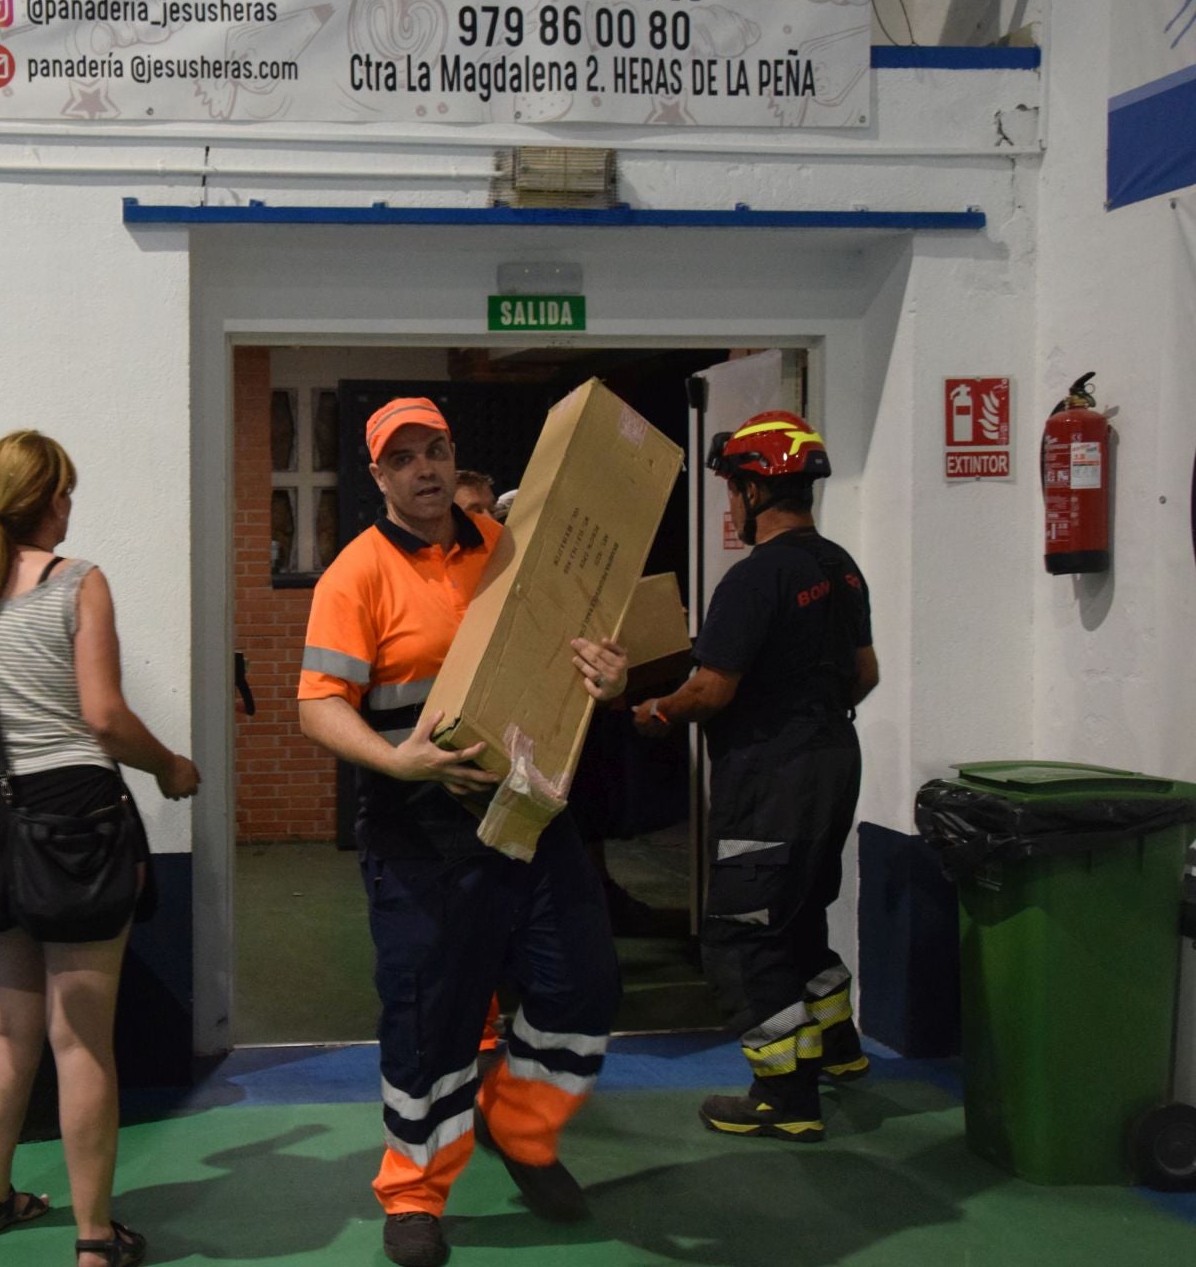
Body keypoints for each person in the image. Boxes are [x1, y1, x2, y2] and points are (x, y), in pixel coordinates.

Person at [298, 397, 629, 1267]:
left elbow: (579, 647)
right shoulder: (355, 575)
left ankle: (520, 1128)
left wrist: (609, 674)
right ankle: (413, 1192)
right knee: (431, 1020)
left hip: (529, 809)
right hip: (419, 830)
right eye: (403, 458)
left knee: (583, 983)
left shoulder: (508, 550)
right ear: (378, 476)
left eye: (435, 450)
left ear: (455, 455)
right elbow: (316, 705)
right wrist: (394, 761)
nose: (425, 469)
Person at [0, 430, 199, 1267]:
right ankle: (94, 1237)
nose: (70, 509)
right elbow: (102, 718)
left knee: (8, 1023)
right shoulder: (76, 582)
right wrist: (170, 765)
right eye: (67, 493)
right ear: (50, 498)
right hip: (71, 812)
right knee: (81, 1037)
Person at [633, 410, 879, 1143]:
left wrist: (657, 712)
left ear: (751, 491)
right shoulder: (841, 566)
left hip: (770, 780)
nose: (731, 507)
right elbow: (864, 675)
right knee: (798, 911)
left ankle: (783, 1095)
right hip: (834, 761)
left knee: (745, 932)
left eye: (733, 491)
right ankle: (838, 1049)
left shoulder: (754, 578)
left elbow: (711, 690)